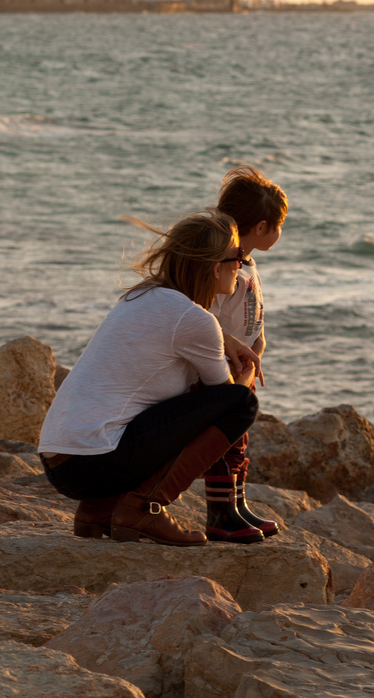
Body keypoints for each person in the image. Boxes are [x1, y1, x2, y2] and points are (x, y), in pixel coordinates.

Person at [37, 209, 260, 546]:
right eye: (237, 258)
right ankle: (144, 507)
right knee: (241, 404)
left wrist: (223, 338)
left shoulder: (139, 296)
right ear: (216, 267)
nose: (240, 266)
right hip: (95, 460)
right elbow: (223, 402)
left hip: (61, 460)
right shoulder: (194, 320)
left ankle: (99, 509)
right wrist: (245, 379)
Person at [201, 165, 288, 542]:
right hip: (222, 368)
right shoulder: (224, 268)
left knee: (240, 440)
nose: (280, 233)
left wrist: (258, 348)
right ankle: (220, 513)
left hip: (244, 365)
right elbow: (202, 318)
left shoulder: (247, 264)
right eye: (279, 225)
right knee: (223, 440)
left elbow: (254, 316)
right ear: (262, 228)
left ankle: (236, 504)